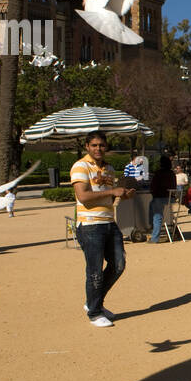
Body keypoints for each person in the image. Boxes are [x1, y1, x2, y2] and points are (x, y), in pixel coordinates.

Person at [71, 131, 134, 327]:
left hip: (108, 221)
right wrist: (112, 191)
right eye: (94, 145)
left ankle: (93, 302)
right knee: (95, 270)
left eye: (101, 145)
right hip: (90, 224)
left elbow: (105, 197)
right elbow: (83, 196)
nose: (98, 149)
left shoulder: (109, 169)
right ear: (87, 146)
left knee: (119, 264)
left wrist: (121, 195)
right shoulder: (80, 166)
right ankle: (95, 312)